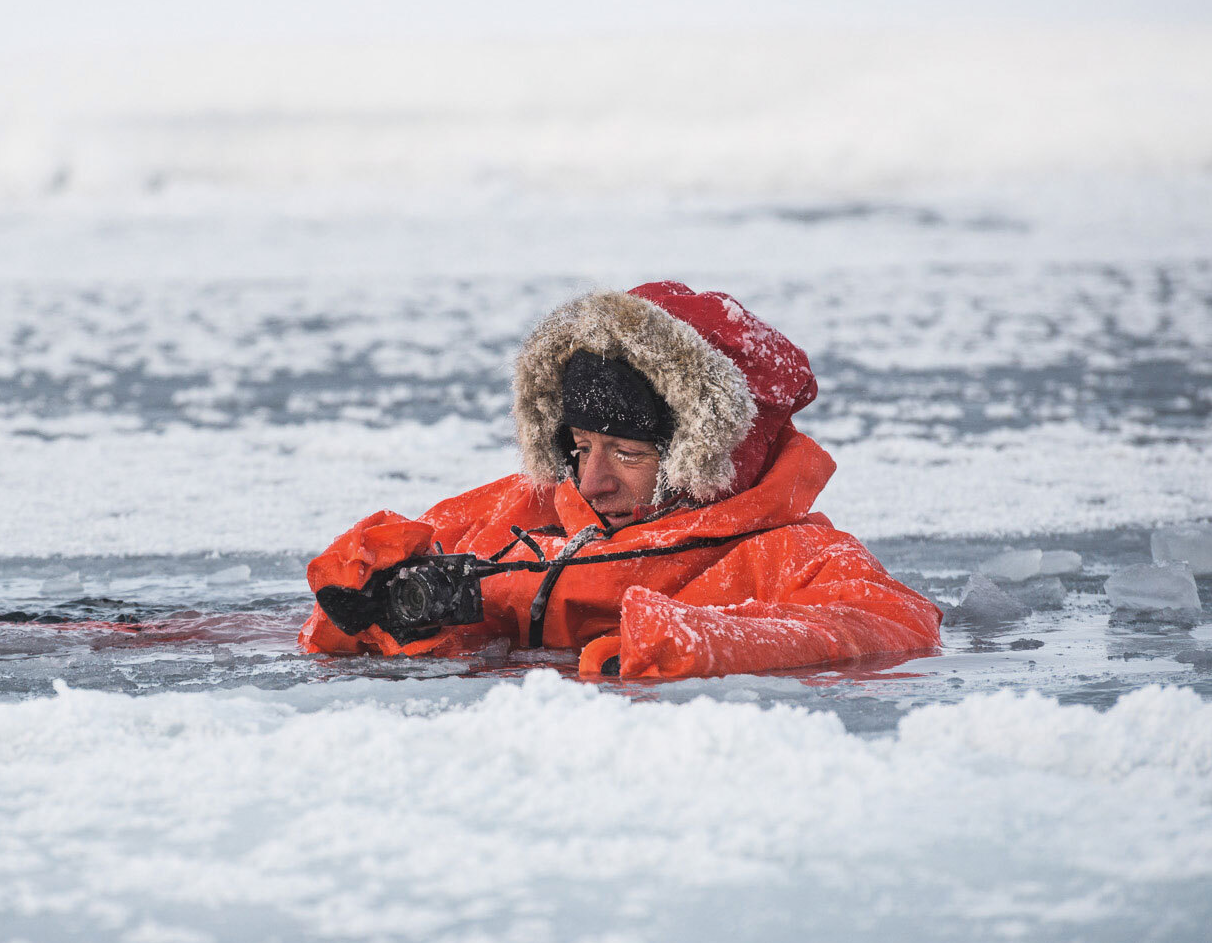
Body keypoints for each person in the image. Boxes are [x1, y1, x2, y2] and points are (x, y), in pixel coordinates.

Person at [299, 281, 941, 678]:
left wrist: (703, 642)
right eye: (579, 447)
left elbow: (896, 625)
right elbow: (324, 629)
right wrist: (370, 605)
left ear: (707, 456)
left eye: (626, 452)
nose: (593, 481)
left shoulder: (789, 554)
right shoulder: (521, 508)